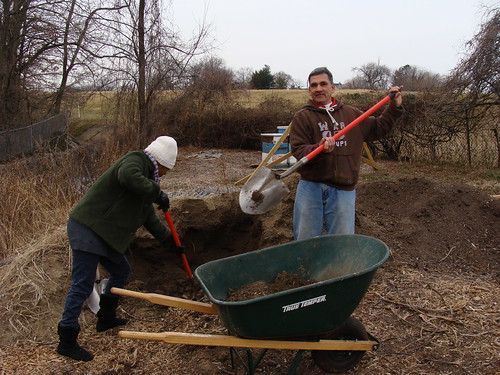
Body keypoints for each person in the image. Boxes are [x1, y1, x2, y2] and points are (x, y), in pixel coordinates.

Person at [57, 136, 178, 361]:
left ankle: (106, 317)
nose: (165, 175)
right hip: (87, 228)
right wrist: (156, 192)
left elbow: (147, 215)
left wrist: (169, 240)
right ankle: (67, 339)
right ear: (160, 162)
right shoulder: (136, 161)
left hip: (103, 234)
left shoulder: (146, 178)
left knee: (121, 271)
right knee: (82, 284)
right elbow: (127, 176)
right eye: (166, 170)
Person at [290, 67, 403, 240]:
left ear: (332, 87)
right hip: (311, 185)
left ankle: (340, 268)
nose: (318, 88)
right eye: (314, 85)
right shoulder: (303, 117)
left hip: (343, 186)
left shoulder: (351, 114)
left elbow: (378, 128)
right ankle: (306, 267)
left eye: (323, 84)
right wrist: (318, 149)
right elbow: (298, 150)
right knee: (305, 239)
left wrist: (394, 108)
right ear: (309, 90)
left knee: (342, 241)